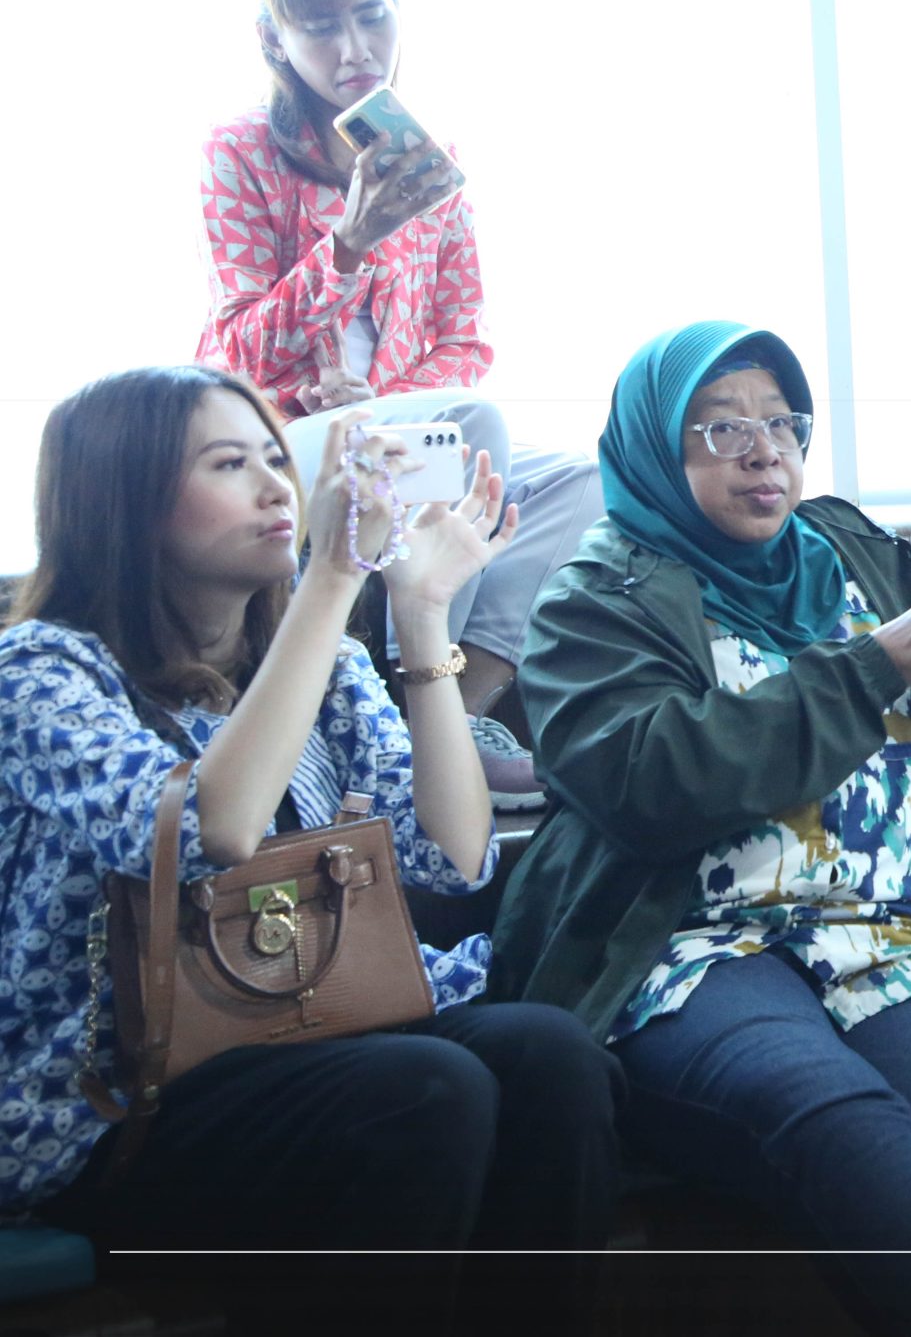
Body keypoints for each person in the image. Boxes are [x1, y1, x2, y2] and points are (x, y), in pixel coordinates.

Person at [488, 321, 911, 1336]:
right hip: (692, 949)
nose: (764, 452)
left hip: (897, 938)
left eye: (782, 423)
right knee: (845, 1128)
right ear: (655, 450)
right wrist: (875, 665)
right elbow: (649, 784)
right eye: (722, 429)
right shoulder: (595, 597)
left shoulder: (852, 552)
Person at [0, 366, 622, 1321]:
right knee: (427, 1089)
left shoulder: (322, 657)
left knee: (553, 1057)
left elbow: (454, 855)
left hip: (310, 1035)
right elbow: (211, 828)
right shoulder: (39, 670)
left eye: (273, 456)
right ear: (123, 499)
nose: (276, 484)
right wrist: (333, 576)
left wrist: (420, 613)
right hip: (115, 1104)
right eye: (228, 463)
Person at [196, 0, 605, 808]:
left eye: (371, 16)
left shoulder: (432, 166)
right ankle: (400, 711)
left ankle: (453, 714)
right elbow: (234, 354)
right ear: (273, 39)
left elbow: (466, 340)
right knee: (471, 423)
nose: (354, 48)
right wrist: (345, 246)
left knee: (580, 480)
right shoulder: (241, 152)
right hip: (279, 439)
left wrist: (381, 397)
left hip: (389, 428)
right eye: (320, 27)